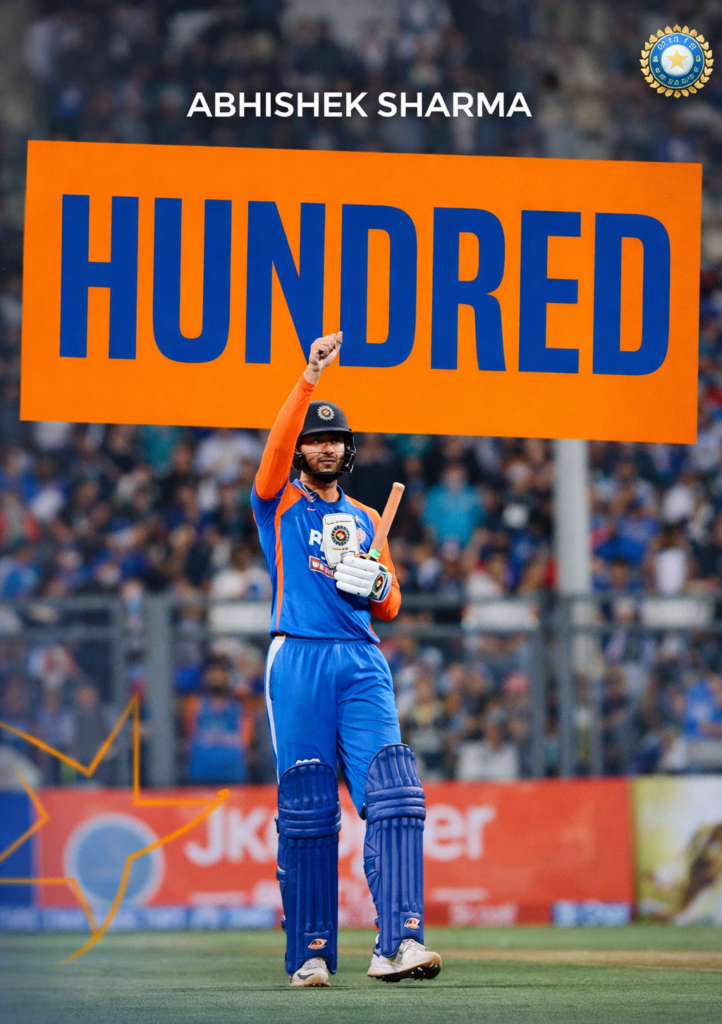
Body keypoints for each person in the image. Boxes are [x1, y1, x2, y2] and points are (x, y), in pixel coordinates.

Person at [251, 332, 441, 988]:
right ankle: (309, 953)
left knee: (392, 790)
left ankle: (400, 941)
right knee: (307, 802)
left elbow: (389, 606)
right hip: (298, 654)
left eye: (333, 438)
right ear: (301, 449)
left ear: (346, 449)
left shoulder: (365, 518)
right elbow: (272, 451)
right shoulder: (276, 502)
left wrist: (379, 583)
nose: (323, 445)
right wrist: (308, 377)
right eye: (314, 438)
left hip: (361, 660)